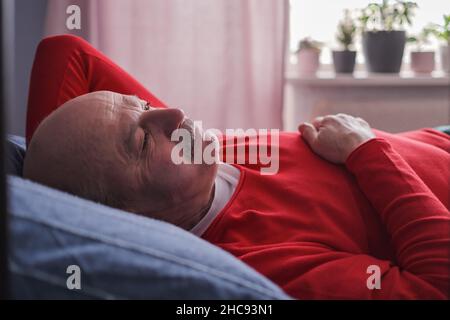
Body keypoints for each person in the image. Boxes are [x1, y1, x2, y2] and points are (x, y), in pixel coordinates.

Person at [23, 35, 449, 299]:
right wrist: (366, 150)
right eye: (142, 140)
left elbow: (66, 52)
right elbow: (436, 287)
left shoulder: (194, 155)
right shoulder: (263, 262)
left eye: (147, 107)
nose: (173, 113)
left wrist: (50, 181)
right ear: (128, 220)